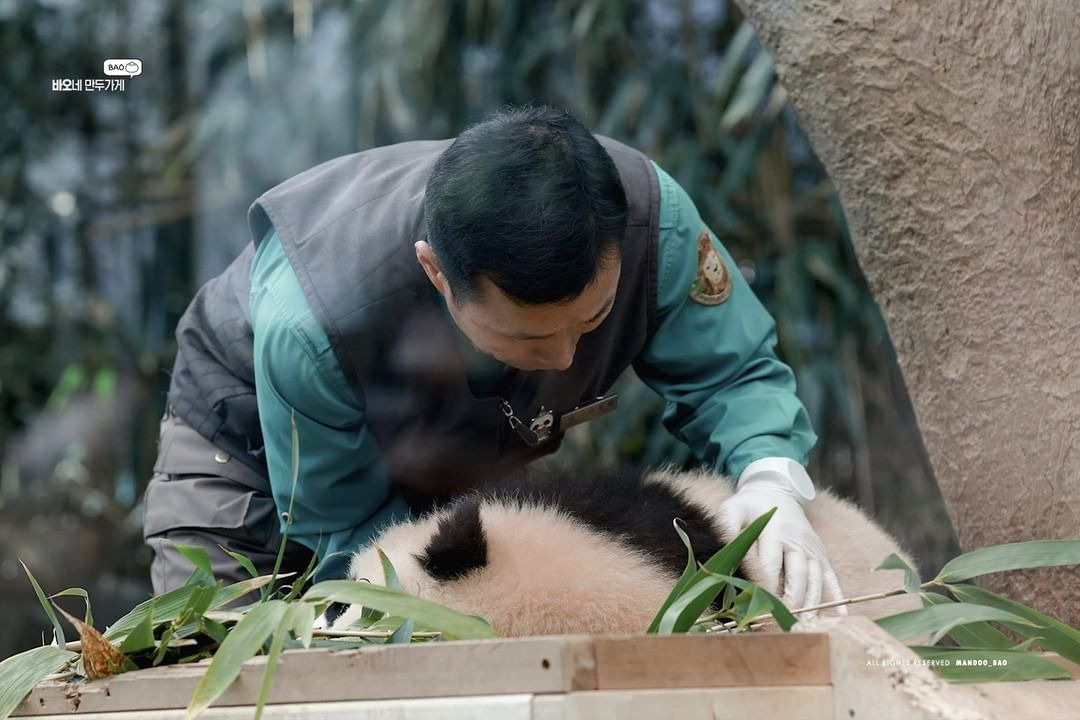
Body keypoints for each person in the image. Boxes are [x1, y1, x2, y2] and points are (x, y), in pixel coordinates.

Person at [143, 106, 844, 612]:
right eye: (529, 341)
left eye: (592, 320)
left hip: (441, 461)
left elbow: (734, 373)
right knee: (223, 661)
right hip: (248, 462)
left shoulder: (653, 225)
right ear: (437, 273)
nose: (566, 355)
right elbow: (345, 539)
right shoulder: (313, 316)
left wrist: (769, 475)